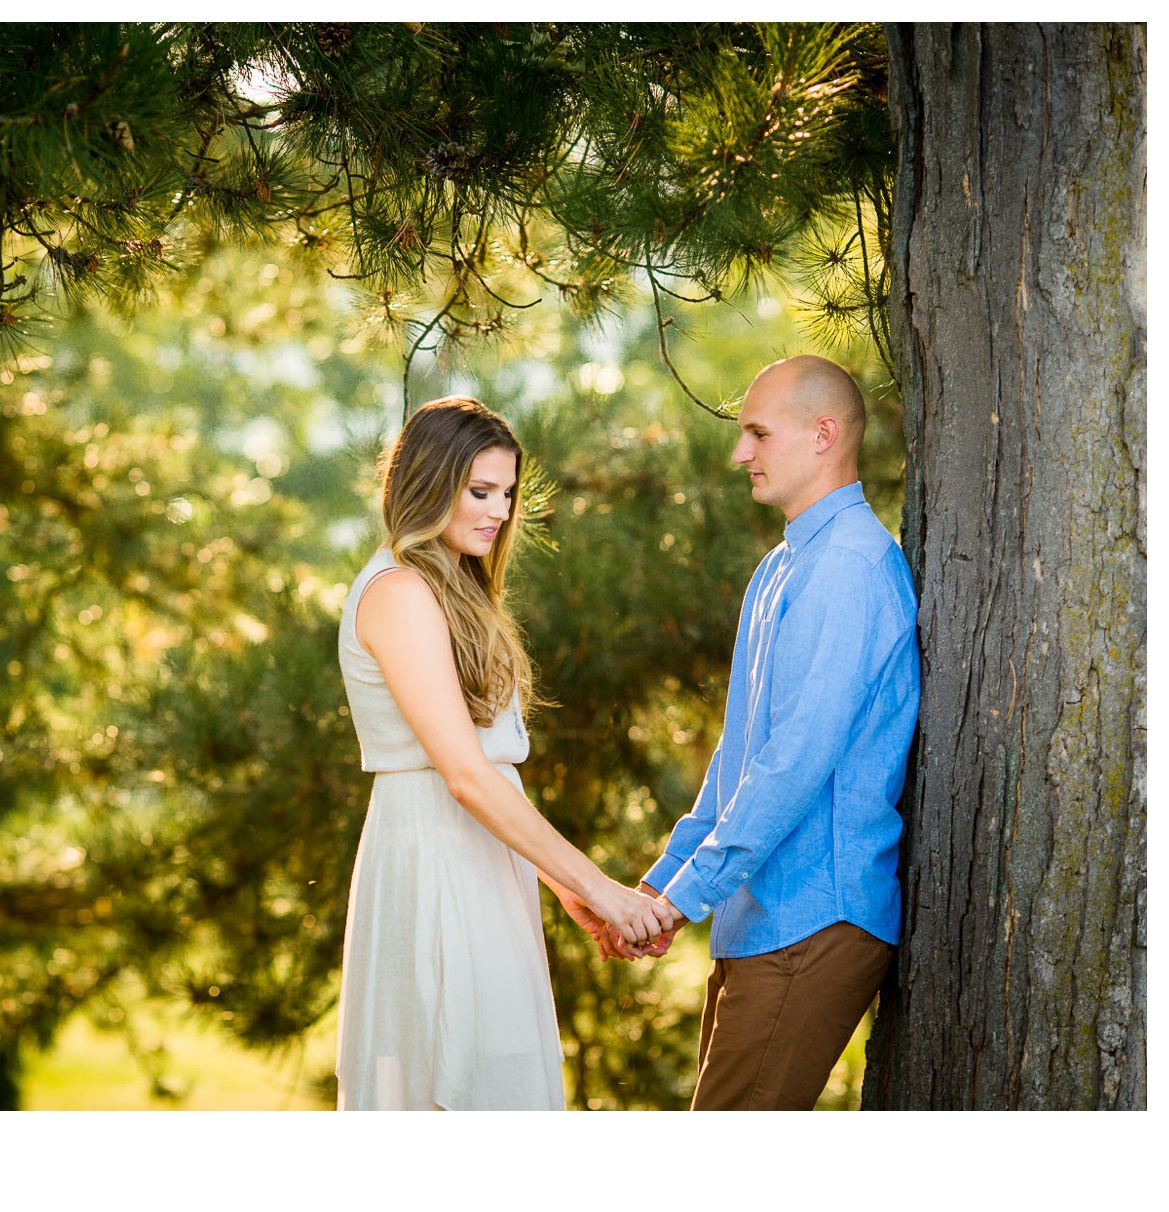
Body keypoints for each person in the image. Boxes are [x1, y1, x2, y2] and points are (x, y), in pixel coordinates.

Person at [334, 396, 673, 1111]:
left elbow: (493, 781)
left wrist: (570, 892)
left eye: (508, 493)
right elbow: (464, 776)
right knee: (449, 1086)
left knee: (499, 1083)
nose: (498, 510)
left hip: (484, 866)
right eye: (479, 491)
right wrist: (605, 889)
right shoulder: (399, 591)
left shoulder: (451, 588)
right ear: (428, 484)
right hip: (435, 867)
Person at [602, 355, 920, 1111]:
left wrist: (683, 899)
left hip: (815, 921)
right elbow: (740, 755)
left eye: (757, 432)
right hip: (764, 919)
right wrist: (664, 878)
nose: (740, 452)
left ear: (822, 435)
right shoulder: (782, 566)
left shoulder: (849, 567)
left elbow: (793, 767)